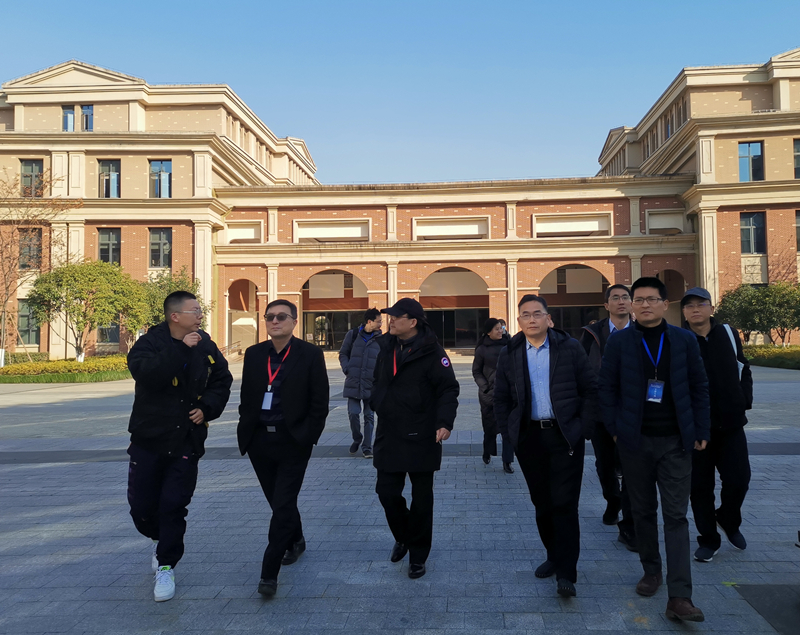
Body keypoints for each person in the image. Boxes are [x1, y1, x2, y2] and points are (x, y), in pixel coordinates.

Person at [599, 276, 710, 622]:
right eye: (639, 300)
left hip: (676, 442)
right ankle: (651, 570)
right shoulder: (619, 343)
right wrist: (616, 431)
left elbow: (699, 386)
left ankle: (680, 596)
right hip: (635, 442)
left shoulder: (684, 339)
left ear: (665, 304)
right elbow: (606, 389)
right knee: (643, 511)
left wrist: (701, 428)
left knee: (676, 516)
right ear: (632, 305)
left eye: (651, 299)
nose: (644, 305)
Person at [127, 291, 232, 602]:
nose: (200, 315)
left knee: (173, 504)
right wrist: (181, 350)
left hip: (186, 439)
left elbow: (222, 380)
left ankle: (166, 565)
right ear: (175, 316)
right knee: (142, 508)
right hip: (148, 439)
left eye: (200, 310)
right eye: (194, 311)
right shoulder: (149, 344)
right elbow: (148, 376)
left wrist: (207, 408)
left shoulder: (206, 344)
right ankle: (159, 540)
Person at [494, 294, 597, 598]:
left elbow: (590, 390)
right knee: (542, 502)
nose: (532, 319)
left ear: (548, 319)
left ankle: (566, 572)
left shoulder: (570, 348)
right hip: (529, 437)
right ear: (519, 321)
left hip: (564, 436)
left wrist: (582, 428)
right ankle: (553, 554)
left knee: (564, 503)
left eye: (537, 314)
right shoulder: (510, 352)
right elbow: (501, 398)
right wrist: (509, 434)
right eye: (525, 315)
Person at [237, 299, 329, 598]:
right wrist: (247, 431)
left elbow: (320, 401)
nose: (274, 321)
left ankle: (269, 571)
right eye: (269, 317)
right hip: (260, 441)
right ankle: (297, 538)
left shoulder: (310, 354)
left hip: (293, 441)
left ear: (294, 322)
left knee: (283, 501)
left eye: (281, 317)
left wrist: (308, 435)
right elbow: (247, 397)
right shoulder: (254, 354)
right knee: (279, 502)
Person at [370, 297, 459, 579]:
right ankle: (405, 536)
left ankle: (418, 555)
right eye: (390, 316)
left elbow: (448, 388)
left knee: (422, 500)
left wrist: (444, 422)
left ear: (413, 322)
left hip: (422, 433)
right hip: (389, 432)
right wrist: (377, 401)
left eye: (397, 317)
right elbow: (377, 381)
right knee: (386, 493)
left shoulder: (433, 351)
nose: (390, 321)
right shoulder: (386, 346)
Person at [681, 287, 752, 562]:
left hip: (731, 424)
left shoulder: (728, 334)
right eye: (689, 305)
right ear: (684, 312)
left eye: (701, 304)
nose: (695, 309)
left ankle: (728, 519)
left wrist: (743, 400)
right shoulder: (679, 340)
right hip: (697, 428)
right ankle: (708, 539)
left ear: (711, 308)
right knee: (700, 488)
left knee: (739, 480)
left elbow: (743, 367)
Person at [580, 284, 637, 550]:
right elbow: (581, 370)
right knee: (604, 464)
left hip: (633, 412)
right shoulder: (591, 334)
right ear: (607, 305)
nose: (621, 301)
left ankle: (629, 517)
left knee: (631, 465)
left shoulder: (642, 331)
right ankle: (612, 501)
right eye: (615, 298)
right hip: (600, 410)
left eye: (626, 297)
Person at [339, 308, 383, 458]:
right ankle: (357, 438)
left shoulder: (381, 339)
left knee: (369, 416)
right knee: (353, 413)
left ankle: (367, 447)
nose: (381, 324)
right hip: (354, 382)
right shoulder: (352, 335)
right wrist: (347, 368)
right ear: (369, 321)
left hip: (371, 384)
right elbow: (343, 353)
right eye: (379, 321)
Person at [472, 317, 514, 473]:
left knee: (508, 429)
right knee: (489, 428)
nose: (500, 331)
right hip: (488, 395)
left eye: (501, 328)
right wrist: (485, 387)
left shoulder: (510, 346)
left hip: (507, 394)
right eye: (497, 329)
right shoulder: (482, 349)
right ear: (488, 332)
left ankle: (507, 461)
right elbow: (476, 371)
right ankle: (487, 451)